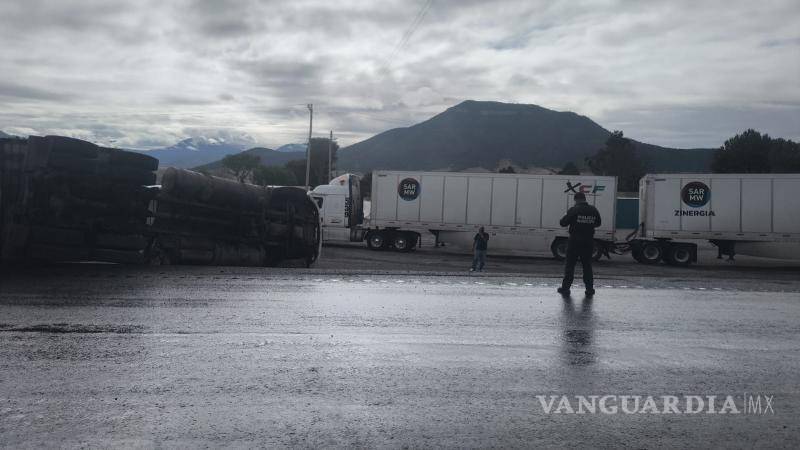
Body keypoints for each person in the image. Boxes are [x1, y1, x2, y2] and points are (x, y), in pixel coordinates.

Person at [557, 192, 602, 297]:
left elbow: (563, 223)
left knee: (570, 266)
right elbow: (598, 223)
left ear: (576, 200)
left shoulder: (574, 210)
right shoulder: (593, 210)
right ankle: (589, 289)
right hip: (588, 241)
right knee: (587, 266)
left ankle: (565, 288)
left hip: (575, 242)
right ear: (585, 199)